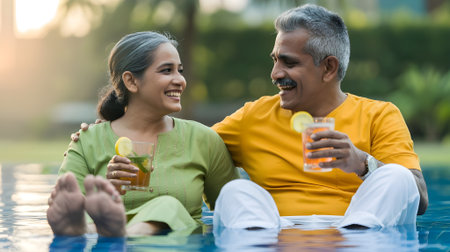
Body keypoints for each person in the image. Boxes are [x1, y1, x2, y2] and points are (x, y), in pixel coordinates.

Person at [74, 4, 428, 230]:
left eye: (288, 62)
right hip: (271, 229)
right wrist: (106, 135)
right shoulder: (253, 116)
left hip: (359, 225)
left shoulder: (379, 114)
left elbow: (419, 198)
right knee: (235, 190)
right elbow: (187, 146)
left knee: (396, 175)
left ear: (328, 68)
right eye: (274, 59)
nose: (275, 73)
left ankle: (355, 240)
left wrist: (362, 163)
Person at [47, 31, 239, 237]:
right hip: (104, 245)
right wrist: (108, 191)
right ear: (131, 81)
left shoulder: (203, 140)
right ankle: (109, 228)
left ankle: (123, 232)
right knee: (80, 218)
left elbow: (235, 212)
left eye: (179, 70)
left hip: (177, 246)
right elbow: (70, 210)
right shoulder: (87, 142)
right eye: (167, 71)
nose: (180, 80)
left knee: (168, 206)